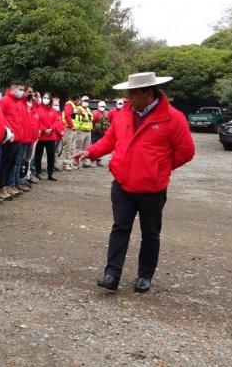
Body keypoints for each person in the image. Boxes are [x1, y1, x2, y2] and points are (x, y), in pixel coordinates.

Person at [75, 72, 195, 293]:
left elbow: (186, 152)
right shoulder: (123, 114)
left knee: (150, 233)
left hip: (152, 188)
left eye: (133, 93)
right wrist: (90, 151)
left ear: (149, 94)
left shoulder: (173, 118)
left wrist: (159, 169)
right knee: (120, 228)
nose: (129, 97)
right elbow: (110, 140)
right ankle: (112, 274)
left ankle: (144, 276)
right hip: (122, 184)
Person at [0, 81, 26, 198]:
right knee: (4, 164)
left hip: (18, 138)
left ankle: (8, 185)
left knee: (12, 164)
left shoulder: (18, 102)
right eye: (19, 89)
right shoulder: (5, 101)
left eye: (22, 90)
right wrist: (9, 131)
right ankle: (1, 187)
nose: (21, 92)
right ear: (12, 89)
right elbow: (1, 117)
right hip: (10, 138)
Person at [35, 92, 64, 180]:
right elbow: (37, 121)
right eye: (45, 97)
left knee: (51, 156)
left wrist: (51, 129)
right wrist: (44, 130)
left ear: (50, 99)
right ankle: (38, 172)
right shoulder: (38, 109)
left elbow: (57, 121)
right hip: (41, 137)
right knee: (38, 155)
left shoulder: (53, 111)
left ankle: (50, 174)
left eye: (48, 98)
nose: (46, 99)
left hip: (51, 136)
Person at [73, 95, 94, 168]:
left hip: (88, 131)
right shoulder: (78, 108)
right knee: (78, 147)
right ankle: (76, 162)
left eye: (87, 101)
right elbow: (76, 119)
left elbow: (91, 119)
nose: (86, 102)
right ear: (81, 101)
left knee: (86, 148)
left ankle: (85, 162)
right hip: (80, 131)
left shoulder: (88, 109)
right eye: (85, 101)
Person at [60, 94, 79, 170]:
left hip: (72, 129)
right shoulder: (69, 105)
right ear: (77, 99)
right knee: (67, 146)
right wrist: (72, 125)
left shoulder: (74, 106)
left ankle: (70, 162)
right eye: (79, 99)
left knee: (72, 147)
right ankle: (65, 163)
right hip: (68, 128)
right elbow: (67, 116)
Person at [91, 100, 110, 167]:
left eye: (103, 106)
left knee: (100, 147)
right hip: (95, 133)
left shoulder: (105, 113)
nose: (102, 107)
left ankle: (98, 160)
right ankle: (93, 160)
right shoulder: (95, 113)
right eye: (101, 106)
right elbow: (92, 122)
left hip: (102, 133)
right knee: (94, 146)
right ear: (98, 106)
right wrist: (92, 129)